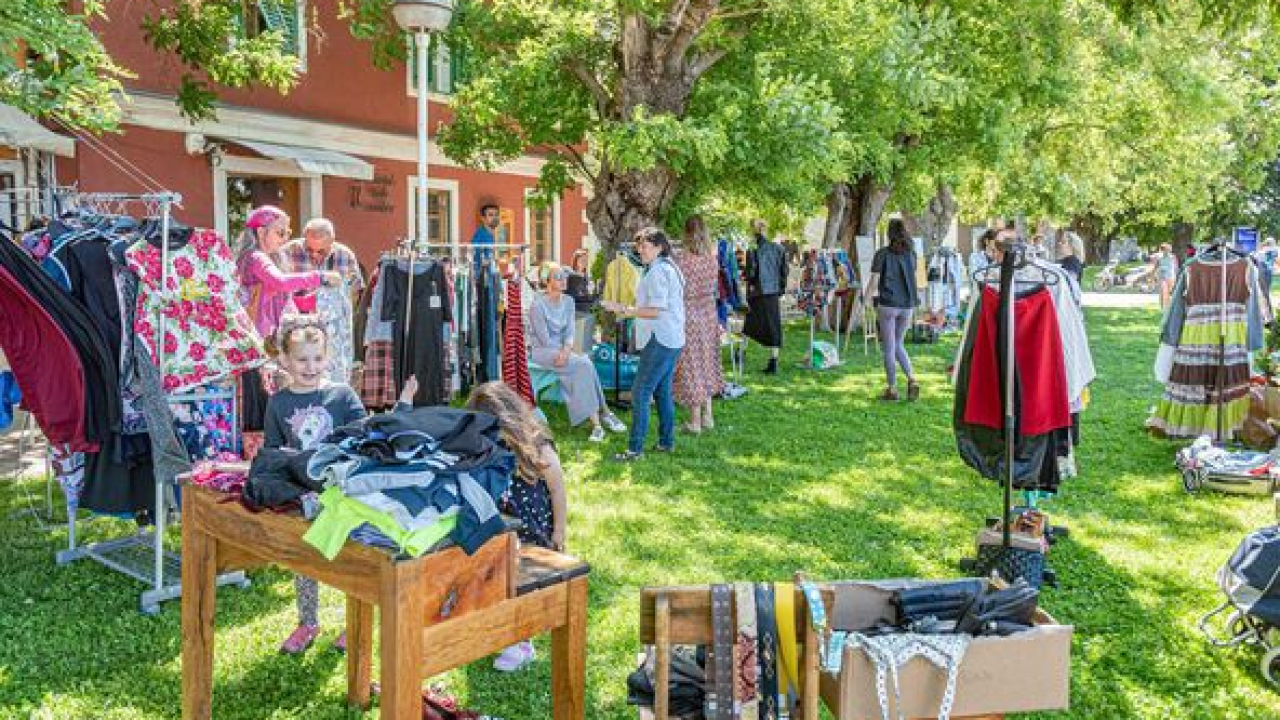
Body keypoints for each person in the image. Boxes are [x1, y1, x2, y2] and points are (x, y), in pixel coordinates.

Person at [264, 317, 372, 654]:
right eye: (301, 359)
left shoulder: (341, 395)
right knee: (304, 557)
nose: (310, 366)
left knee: (351, 558)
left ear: (327, 357)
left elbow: (364, 439)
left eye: (317, 358)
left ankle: (354, 624)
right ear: (284, 360)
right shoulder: (278, 403)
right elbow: (273, 451)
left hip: (343, 495)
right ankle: (308, 622)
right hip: (303, 496)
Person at [464, 381, 568, 672]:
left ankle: (521, 644)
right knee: (494, 581)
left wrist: (559, 531)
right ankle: (504, 634)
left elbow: (558, 491)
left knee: (517, 588)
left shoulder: (539, 448)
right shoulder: (489, 449)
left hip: (534, 533)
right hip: (503, 532)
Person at [234, 205, 341, 433]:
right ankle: (260, 450)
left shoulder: (260, 258)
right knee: (259, 402)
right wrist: (319, 277)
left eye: (287, 232)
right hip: (256, 340)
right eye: (279, 232)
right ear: (261, 233)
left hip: (260, 340)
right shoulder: (256, 257)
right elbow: (280, 282)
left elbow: (281, 297)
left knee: (262, 399)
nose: (285, 238)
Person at [604, 227, 686, 461]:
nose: (641, 250)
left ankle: (634, 450)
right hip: (671, 337)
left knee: (640, 392)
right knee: (662, 392)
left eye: (646, 246)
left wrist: (622, 309)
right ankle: (665, 442)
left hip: (660, 338)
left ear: (659, 247)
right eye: (639, 246)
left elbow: (655, 310)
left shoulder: (659, 271)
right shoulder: (668, 267)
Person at [528, 261, 626, 441]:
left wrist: (566, 350)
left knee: (585, 363)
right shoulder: (537, 306)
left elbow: (570, 332)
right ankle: (602, 417)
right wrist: (566, 352)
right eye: (558, 277)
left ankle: (599, 421)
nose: (564, 280)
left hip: (564, 350)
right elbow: (544, 340)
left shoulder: (569, 301)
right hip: (543, 351)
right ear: (547, 281)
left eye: (564, 276)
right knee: (583, 363)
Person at [672, 215, 724, 434]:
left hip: (689, 314)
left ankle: (694, 421)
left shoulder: (681, 260)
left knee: (692, 366)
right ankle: (708, 416)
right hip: (709, 313)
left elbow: (676, 291)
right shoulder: (713, 259)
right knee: (707, 361)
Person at [866, 218, 920, 401]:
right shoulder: (912, 254)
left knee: (889, 348)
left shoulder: (881, 254)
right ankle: (912, 379)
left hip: (888, 304)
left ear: (889, 234)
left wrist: (865, 300)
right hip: (907, 305)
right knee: (898, 344)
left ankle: (892, 389)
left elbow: (873, 281)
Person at [742, 219, 787, 374]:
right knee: (774, 326)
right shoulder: (779, 248)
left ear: (753, 232)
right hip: (772, 292)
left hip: (757, 293)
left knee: (749, 324)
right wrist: (780, 289)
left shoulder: (752, 250)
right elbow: (784, 272)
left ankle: (741, 352)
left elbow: (751, 274)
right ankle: (773, 361)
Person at [280, 218, 365, 296]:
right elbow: (278, 285)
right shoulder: (288, 251)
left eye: (321, 251)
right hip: (297, 311)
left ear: (332, 242)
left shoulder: (345, 255)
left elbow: (356, 291)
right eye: (309, 249)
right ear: (304, 238)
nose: (314, 255)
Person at [1154, 242, 1178, 309]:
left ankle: (1167, 307)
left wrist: (1176, 276)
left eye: (1166, 249)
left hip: (1171, 276)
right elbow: (1155, 267)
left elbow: (1176, 267)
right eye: (1163, 249)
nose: (1165, 250)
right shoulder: (1159, 257)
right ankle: (1162, 307)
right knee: (1163, 291)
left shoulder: (1173, 257)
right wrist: (1153, 276)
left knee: (1169, 292)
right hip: (1162, 276)